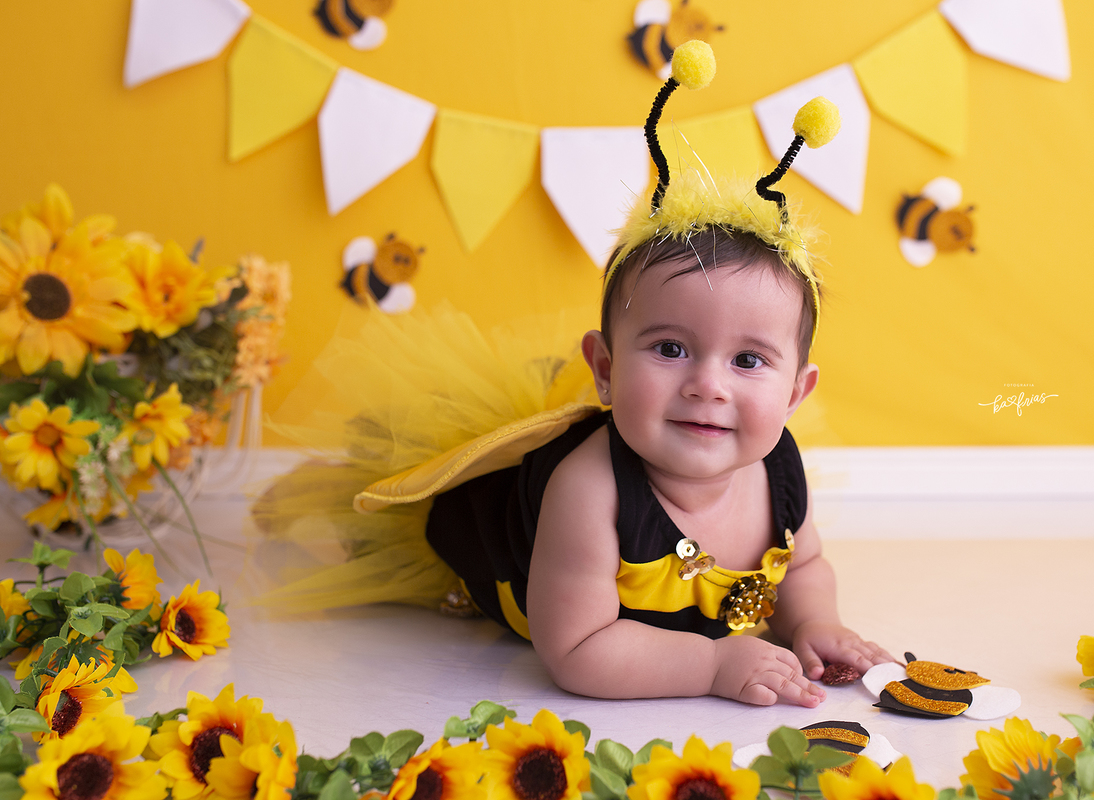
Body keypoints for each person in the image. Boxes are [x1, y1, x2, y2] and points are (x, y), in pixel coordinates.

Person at [253, 40, 894, 706]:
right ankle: (320, 489)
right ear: (606, 369)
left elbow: (805, 564)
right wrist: (710, 665)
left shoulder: (780, 473)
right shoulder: (589, 489)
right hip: (488, 538)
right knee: (377, 516)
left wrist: (815, 623)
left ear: (795, 394)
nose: (709, 385)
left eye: (748, 360)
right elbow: (579, 650)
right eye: (670, 349)